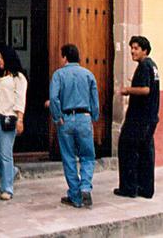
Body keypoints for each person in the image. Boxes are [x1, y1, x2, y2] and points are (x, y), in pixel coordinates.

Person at [49, 44, 100, 209]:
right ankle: (85, 186)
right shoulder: (88, 74)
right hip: (84, 117)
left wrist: (57, 117)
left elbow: (54, 98)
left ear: (64, 57)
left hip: (66, 118)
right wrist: (94, 117)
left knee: (69, 157)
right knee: (88, 156)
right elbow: (95, 99)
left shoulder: (59, 74)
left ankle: (75, 196)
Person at [114, 36, 160, 199]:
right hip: (150, 118)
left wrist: (128, 89)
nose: (132, 51)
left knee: (127, 149)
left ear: (145, 50)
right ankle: (146, 189)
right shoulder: (152, 66)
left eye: (136, 48)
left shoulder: (144, 65)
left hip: (139, 119)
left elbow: (146, 89)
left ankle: (129, 188)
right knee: (146, 153)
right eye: (132, 48)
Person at [0, 44, 28, 200]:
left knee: (5, 153)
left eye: (1, 57)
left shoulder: (19, 78)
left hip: (8, 118)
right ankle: (11, 171)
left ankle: (7, 188)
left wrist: (20, 119)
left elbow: (20, 99)